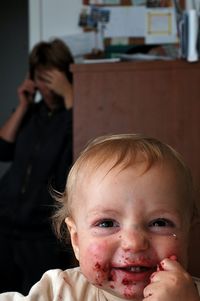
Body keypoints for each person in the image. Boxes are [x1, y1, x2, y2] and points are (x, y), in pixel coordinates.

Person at [1, 133, 200, 301]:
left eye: (159, 223)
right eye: (107, 223)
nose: (134, 243)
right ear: (76, 240)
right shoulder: (59, 292)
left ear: (188, 233)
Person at [0, 38, 77, 295]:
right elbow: (3, 149)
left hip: (42, 234)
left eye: (51, 78)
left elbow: (80, 152)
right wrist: (23, 104)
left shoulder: (75, 115)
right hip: (6, 225)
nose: (47, 88)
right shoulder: (30, 113)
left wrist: (69, 95)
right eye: (41, 79)